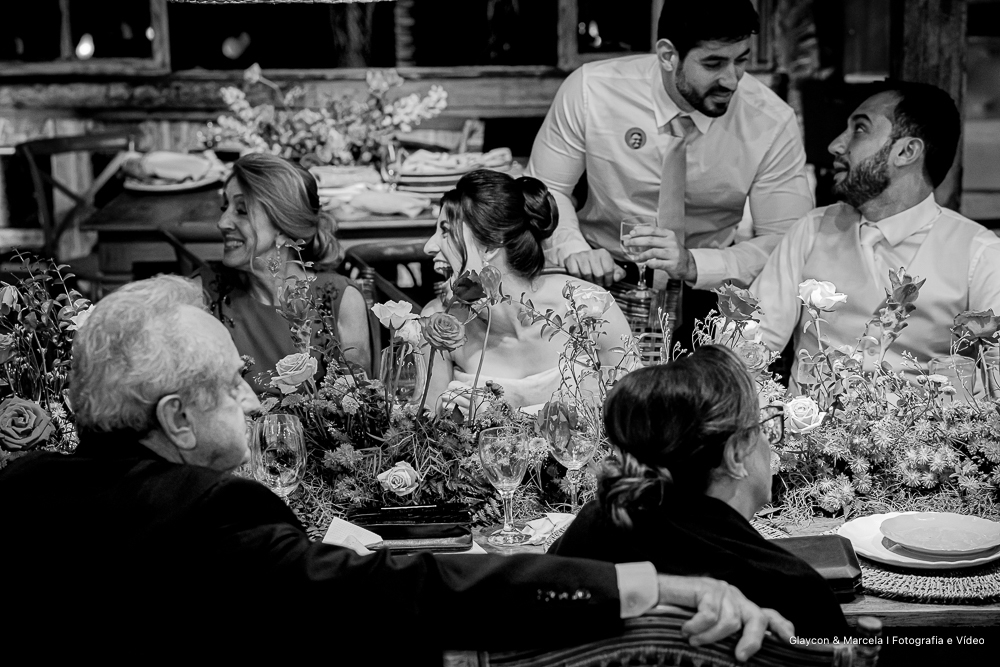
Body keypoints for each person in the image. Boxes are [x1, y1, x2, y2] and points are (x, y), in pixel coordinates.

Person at [0, 275, 794, 661]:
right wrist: (647, 584)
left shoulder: (20, 490)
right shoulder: (208, 515)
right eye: (233, 381)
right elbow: (407, 593)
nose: (249, 397)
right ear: (176, 417)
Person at [526, 0, 813, 346]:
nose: (732, 80)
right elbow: (547, 189)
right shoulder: (592, 91)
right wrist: (574, 250)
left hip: (709, 286)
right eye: (713, 64)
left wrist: (694, 264)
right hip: (601, 274)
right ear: (667, 55)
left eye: (741, 60)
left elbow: (786, 242)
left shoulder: (771, 120)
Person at [550, 346, 849, 639]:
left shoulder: (588, 536)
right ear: (735, 453)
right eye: (763, 426)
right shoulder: (795, 591)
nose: (769, 442)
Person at [751, 82, 1000, 384]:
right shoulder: (810, 230)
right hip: (808, 414)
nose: (835, 145)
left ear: (906, 151)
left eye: (859, 129)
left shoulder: (980, 254)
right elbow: (751, 340)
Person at [422, 169, 634, 410]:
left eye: (446, 232)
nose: (429, 246)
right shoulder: (438, 324)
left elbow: (636, 414)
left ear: (490, 246)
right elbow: (425, 426)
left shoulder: (590, 308)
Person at [202, 153, 375, 391]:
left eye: (241, 210)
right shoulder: (206, 295)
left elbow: (360, 401)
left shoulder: (340, 300)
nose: (222, 222)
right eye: (225, 208)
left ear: (283, 227)